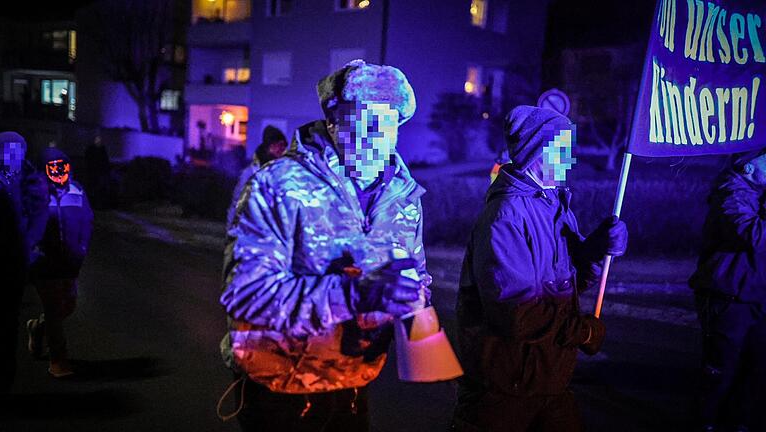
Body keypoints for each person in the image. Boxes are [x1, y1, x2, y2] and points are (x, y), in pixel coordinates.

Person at [219, 59, 429, 432]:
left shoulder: (403, 195)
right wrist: (353, 294)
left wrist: (411, 301)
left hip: (353, 384)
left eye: (390, 121)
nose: (377, 134)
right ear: (334, 121)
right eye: (363, 118)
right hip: (281, 386)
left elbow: (415, 274)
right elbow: (246, 296)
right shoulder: (277, 185)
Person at [453, 106, 628, 432]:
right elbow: (518, 313)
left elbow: (568, 282)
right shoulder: (505, 215)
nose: (570, 159)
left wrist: (596, 249)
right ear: (536, 152)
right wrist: (582, 331)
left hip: (547, 376)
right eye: (562, 149)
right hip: (508, 384)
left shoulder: (552, 204)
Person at [689, 147, 766, 432]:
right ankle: (705, 423)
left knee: (754, 374)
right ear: (748, 166)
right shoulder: (730, 194)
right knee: (719, 375)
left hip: (756, 296)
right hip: (727, 297)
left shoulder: (758, 195)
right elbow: (753, 235)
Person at [27, 147, 93, 378]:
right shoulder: (35, 193)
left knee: (68, 306)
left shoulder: (77, 191)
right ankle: (58, 361)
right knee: (54, 310)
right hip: (44, 263)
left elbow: (87, 220)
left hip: (70, 263)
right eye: (52, 166)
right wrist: (31, 248)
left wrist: (82, 246)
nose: (58, 170)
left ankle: (38, 327)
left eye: (62, 166)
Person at [0, 131, 48, 393]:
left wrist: (27, 245)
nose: (12, 155)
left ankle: (5, 378)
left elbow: (39, 215)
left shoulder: (30, 182)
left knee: (8, 321)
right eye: (7, 149)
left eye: (18, 150)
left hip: (15, 260)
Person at [227, 125, 288, 227]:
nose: (282, 149)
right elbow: (237, 203)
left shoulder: (282, 171)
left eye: (284, 146)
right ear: (270, 146)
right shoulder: (251, 173)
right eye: (279, 145)